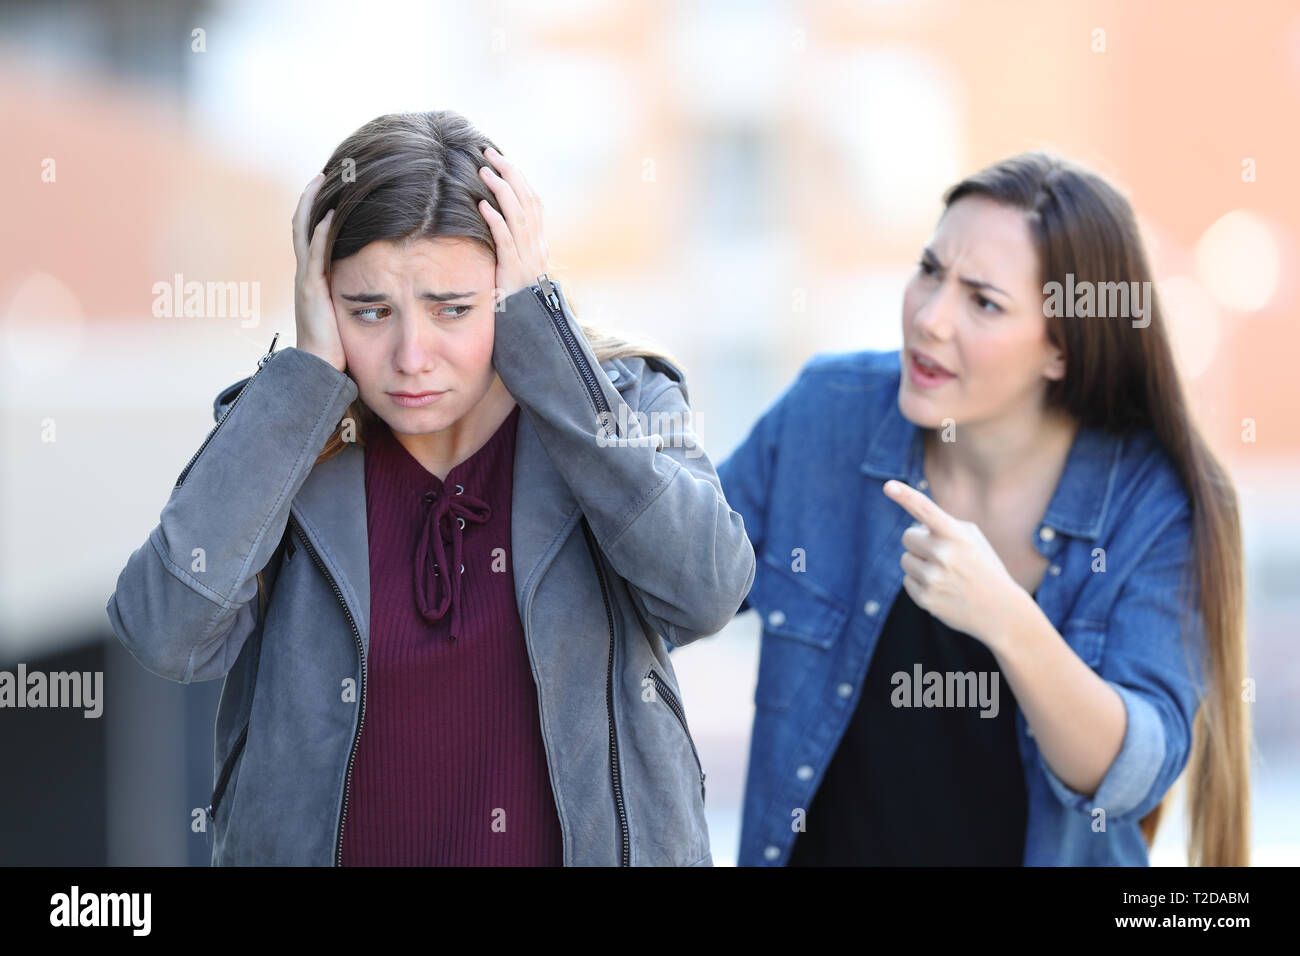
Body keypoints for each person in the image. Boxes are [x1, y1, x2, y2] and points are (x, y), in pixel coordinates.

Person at [106, 109, 755, 866]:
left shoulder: (624, 403)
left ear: (512, 288)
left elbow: (708, 589)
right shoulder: (283, 434)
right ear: (321, 300)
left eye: (452, 309)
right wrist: (304, 382)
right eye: (370, 311)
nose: (412, 355)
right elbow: (164, 633)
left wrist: (548, 350)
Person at [715, 151, 1250, 866]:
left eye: (983, 301)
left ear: (1062, 348)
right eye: (930, 271)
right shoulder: (826, 415)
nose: (930, 319)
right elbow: (670, 584)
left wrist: (1006, 617)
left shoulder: (1152, 504)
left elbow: (1128, 776)